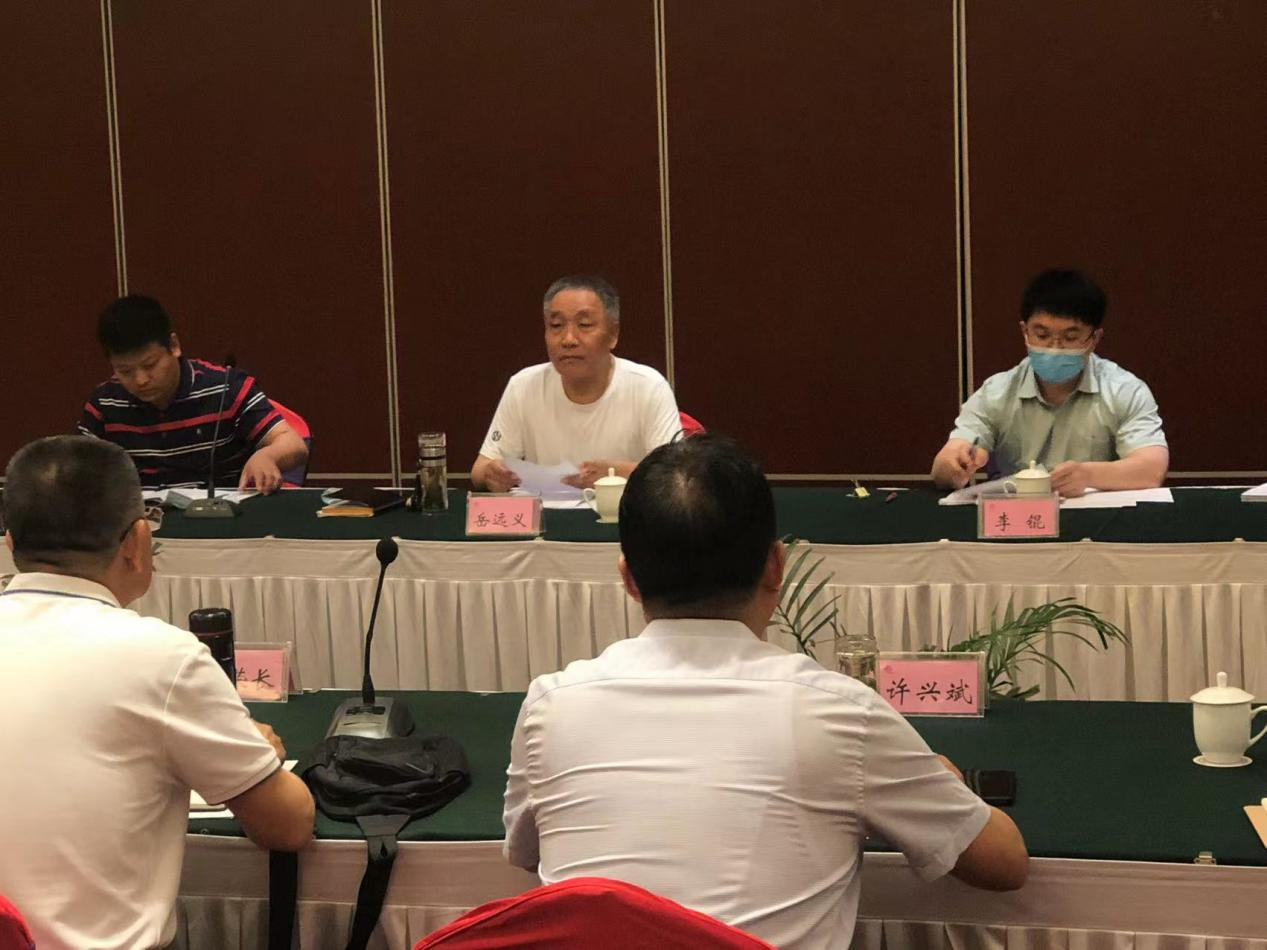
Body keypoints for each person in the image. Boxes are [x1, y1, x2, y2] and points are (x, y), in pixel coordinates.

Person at [502, 434, 1028, 950]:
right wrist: (942, 780)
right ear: (776, 566)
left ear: (628, 578)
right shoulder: (839, 713)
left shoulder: (551, 705)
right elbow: (1004, 864)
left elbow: (527, 854)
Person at [0, 436, 315, 950]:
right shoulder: (162, 657)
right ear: (138, 541)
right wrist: (257, 755)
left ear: (10, 544)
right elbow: (289, 825)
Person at [932, 269, 1168, 496]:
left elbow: (1151, 469)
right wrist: (952, 465)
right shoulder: (996, 393)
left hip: (1095, 517)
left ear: (1094, 338)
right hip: (1016, 516)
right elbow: (946, 464)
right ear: (1025, 331)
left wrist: (1089, 475)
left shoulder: (1125, 390)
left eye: (1070, 337)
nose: (1055, 348)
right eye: (1042, 335)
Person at [78, 294, 308, 493]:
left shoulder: (226, 387)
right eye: (124, 371)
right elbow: (75, 466)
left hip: (221, 518)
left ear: (174, 346)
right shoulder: (105, 402)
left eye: (150, 365)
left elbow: (293, 445)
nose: (141, 380)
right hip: (143, 521)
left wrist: (267, 456)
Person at [471, 275, 681, 492]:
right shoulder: (523, 386)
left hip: (621, 512)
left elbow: (676, 476)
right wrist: (492, 474)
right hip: (547, 512)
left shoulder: (648, 387)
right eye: (556, 325)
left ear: (613, 334)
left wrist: (615, 474)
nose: (568, 339)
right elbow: (480, 470)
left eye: (584, 325)